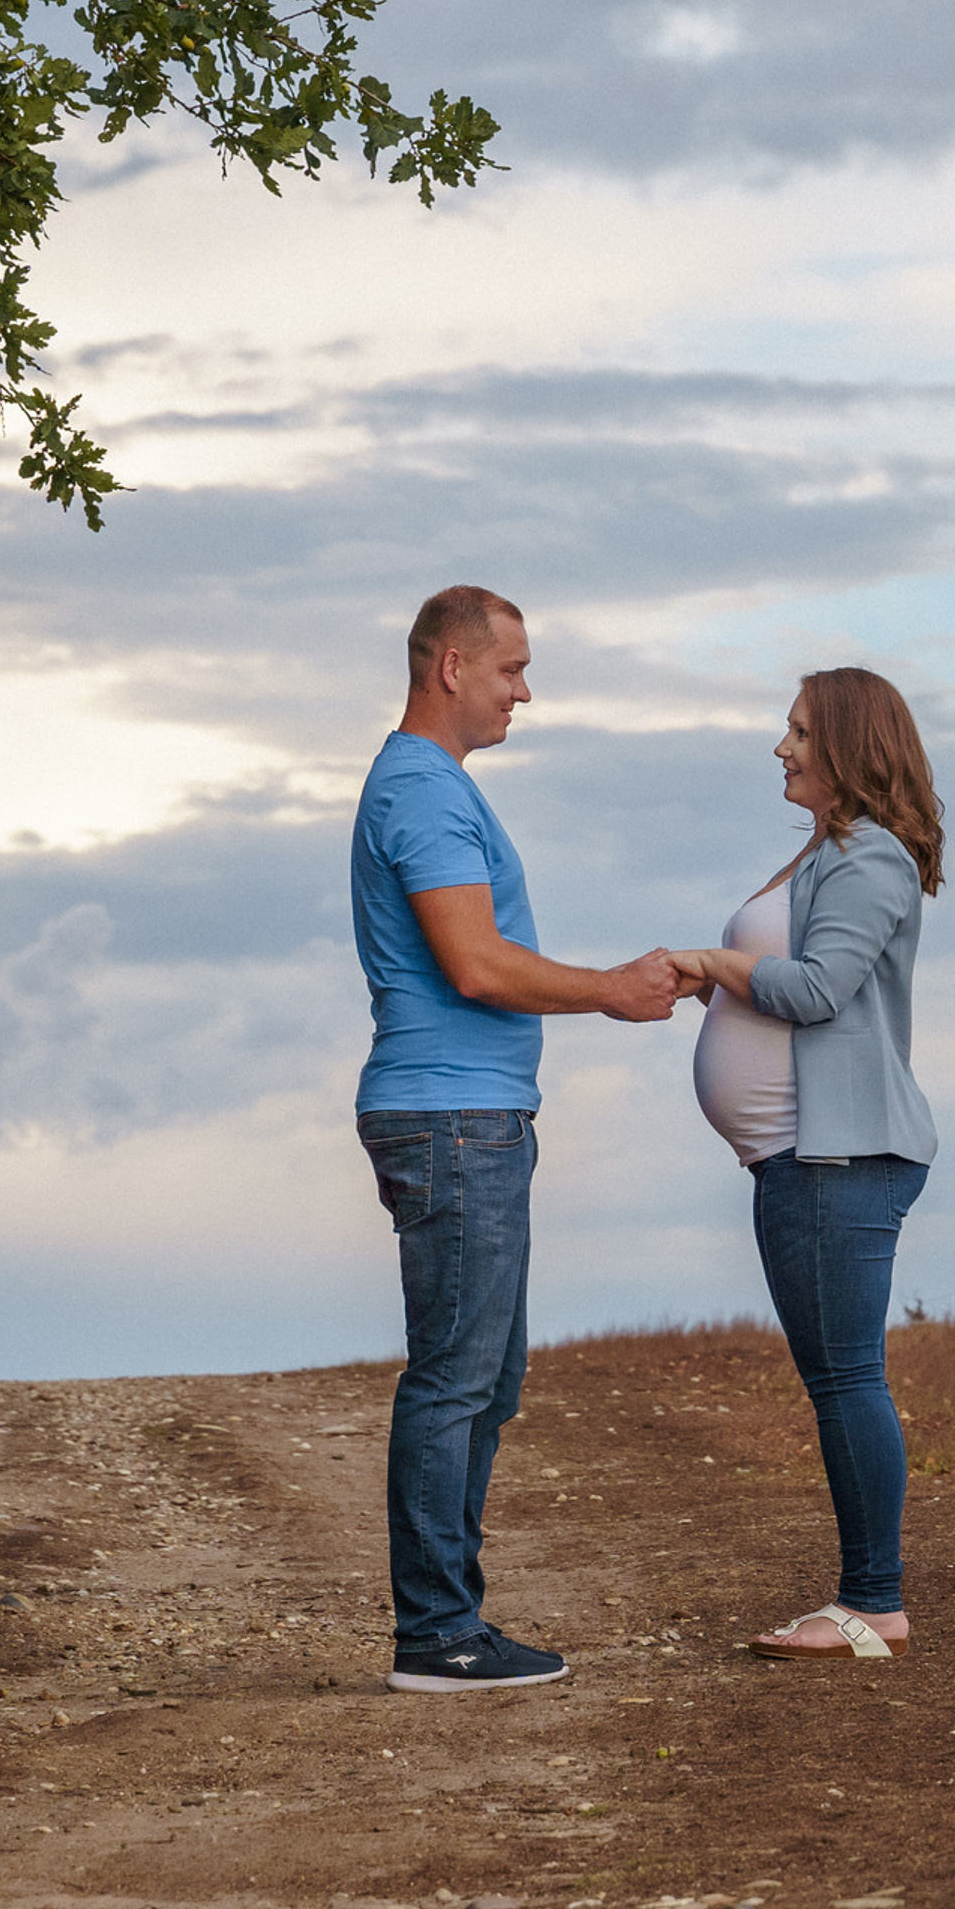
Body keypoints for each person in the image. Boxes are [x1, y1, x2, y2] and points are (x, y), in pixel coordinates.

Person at [352, 584, 681, 1692]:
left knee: (488, 1381)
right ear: (451, 667)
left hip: (473, 1112)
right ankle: (435, 1632)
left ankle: (453, 1620)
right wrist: (611, 991)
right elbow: (477, 964)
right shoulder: (422, 790)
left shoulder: (433, 788)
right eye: (511, 670)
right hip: (452, 1117)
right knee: (455, 1379)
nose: (524, 692)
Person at [672, 666, 942, 1661]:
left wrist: (713, 964)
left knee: (846, 1380)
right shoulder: (823, 852)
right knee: (837, 1377)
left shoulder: (870, 857)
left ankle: (873, 1603)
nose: (780, 747)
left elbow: (820, 989)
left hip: (835, 1158)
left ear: (846, 747)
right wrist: (729, 985)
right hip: (798, 1159)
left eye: (796, 732)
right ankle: (868, 1598)